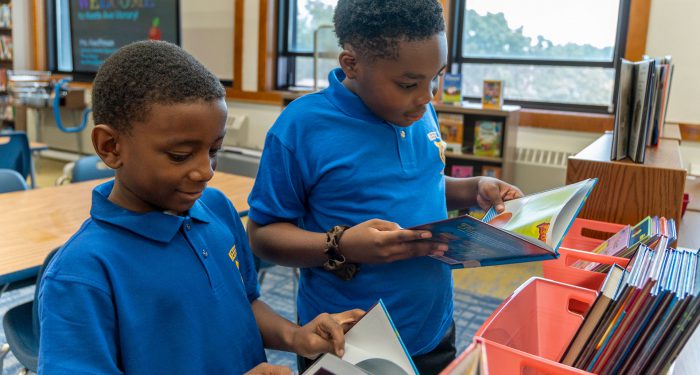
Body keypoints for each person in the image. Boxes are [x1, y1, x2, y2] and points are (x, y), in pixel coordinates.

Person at [38, 40, 363, 374]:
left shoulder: (217, 209)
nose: (206, 171)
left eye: (214, 150)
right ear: (110, 147)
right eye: (180, 155)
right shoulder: (82, 274)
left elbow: (245, 303)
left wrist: (296, 337)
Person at [246, 0, 523, 373]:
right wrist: (341, 245)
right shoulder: (301, 127)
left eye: (435, 78)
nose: (427, 98)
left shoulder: (417, 108)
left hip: (432, 327)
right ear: (352, 65)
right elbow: (263, 236)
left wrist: (472, 189)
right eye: (409, 83)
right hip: (348, 340)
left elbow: (419, 181)